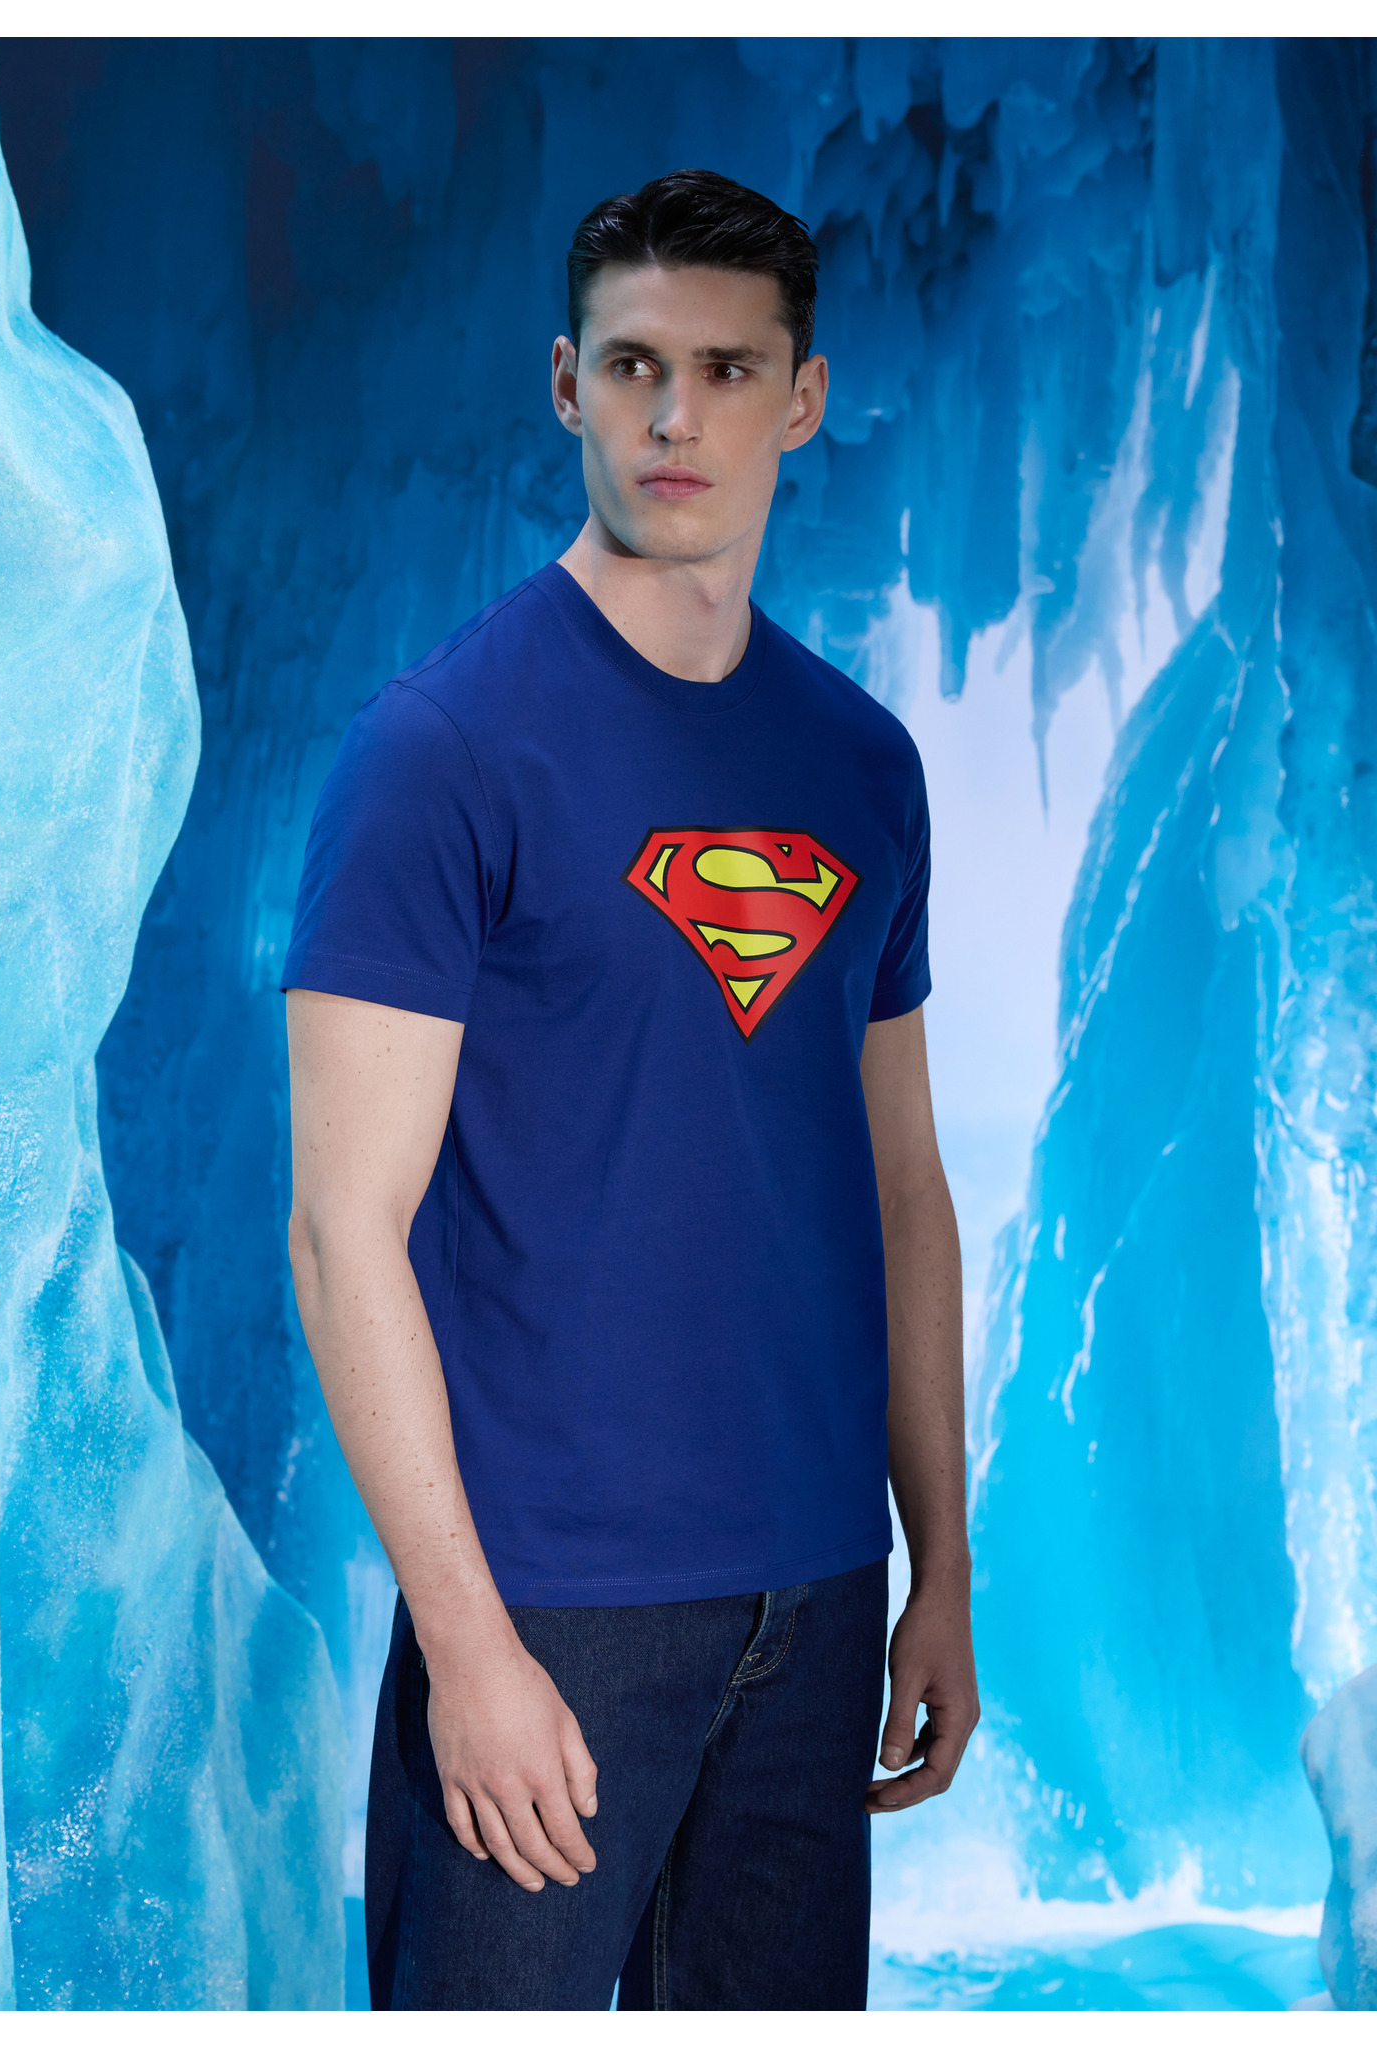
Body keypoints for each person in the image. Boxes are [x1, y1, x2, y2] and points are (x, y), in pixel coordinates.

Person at [282, 167, 977, 2013]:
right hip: (548, 1611)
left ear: (802, 399)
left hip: (817, 1600)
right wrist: (466, 1644)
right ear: (567, 385)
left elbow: (903, 1191)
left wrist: (941, 1569)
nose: (677, 417)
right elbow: (344, 1229)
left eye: (728, 371)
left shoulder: (862, 765)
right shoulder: (439, 752)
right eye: (635, 366)